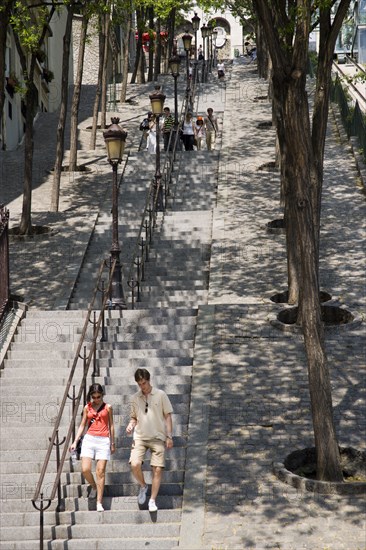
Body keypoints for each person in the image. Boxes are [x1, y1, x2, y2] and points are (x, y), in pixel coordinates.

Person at [126, 368, 173, 513]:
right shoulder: (135, 398)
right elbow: (134, 417)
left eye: (144, 383)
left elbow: (168, 416)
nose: (142, 386)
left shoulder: (161, 395)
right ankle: (143, 486)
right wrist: (130, 425)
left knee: (157, 469)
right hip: (140, 437)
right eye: (139, 384)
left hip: (158, 437)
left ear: (149, 380)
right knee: (134, 464)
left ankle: (152, 500)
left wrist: (169, 436)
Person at [70, 384, 115, 512]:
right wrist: (75, 441)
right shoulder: (87, 408)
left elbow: (111, 425)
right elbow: (82, 425)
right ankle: (94, 486)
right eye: (94, 397)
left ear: (102, 395)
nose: (96, 399)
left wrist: (113, 443)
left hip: (103, 440)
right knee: (85, 469)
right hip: (89, 439)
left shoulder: (108, 407)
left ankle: (99, 502)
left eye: (98, 397)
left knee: (100, 471)